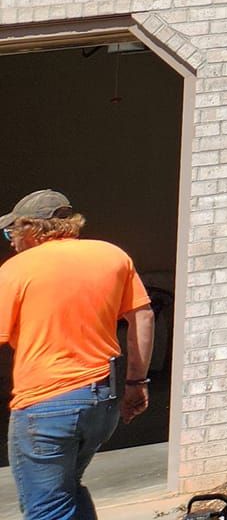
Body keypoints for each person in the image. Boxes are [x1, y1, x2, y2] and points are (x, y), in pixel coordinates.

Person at [0, 190, 154, 520]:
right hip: (102, 403)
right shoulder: (113, 256)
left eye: (11, 233)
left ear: (30, 229)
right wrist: (136, 383)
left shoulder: (15, 270)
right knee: (66, 491)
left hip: (45, 406)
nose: (11, 242)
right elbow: (143, 316)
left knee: (47, 508)